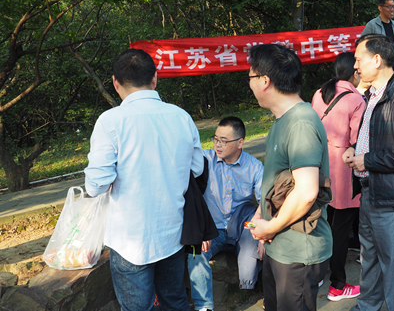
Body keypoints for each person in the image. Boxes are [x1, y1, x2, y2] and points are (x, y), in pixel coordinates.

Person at [85, 48, 204, 311]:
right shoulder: (181, 117)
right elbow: (196, 169)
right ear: (155, 78)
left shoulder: (110, 121)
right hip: (173, 231)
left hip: (129, 239)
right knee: (175, 301)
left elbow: (96, 185)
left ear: (115, 83)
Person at [245, 43, 332, 311]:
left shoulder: (301, 122)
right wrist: (261, 217)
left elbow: (306, 192)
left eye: (250, 77)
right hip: (280, 246)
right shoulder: (282, 120)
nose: (249, 84)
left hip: (297, 252)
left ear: (264, 81)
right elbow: (276, 181)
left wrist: (271, 227)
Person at [343, 34, 394, 311]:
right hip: (370, 191)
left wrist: (367, 160)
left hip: (393, 195)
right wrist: (354, 150)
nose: (355, 66)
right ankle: (367, 306)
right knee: (370, 256)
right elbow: (374, 139)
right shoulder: (372, 95)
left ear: (377, 60)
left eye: (359, 59)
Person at [187, 116, 264, 311]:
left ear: (240, 143)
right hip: (212, 230)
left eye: (224, 140)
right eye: (215, 139)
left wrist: (262, 236)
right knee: (195, 251)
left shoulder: (254, 167)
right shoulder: (204, 160)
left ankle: (253, 289)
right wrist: (201, 230)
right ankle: (204, 306)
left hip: (242, 226)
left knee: (263, 239)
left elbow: (265, 201)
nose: (217, 145)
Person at [311, 52, 365, 302]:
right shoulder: (356, 99)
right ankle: (338, 285)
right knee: (341, 229)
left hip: (320, 165)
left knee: (323, 223)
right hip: (344, 169)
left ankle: (317, 275)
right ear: (354, 73)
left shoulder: (319, 94)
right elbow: (357, 140)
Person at [361, 0, 394, 74]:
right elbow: (362, 45)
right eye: (389, 7)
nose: (392, 9)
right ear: (380, 8)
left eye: (393, 6)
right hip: (379, 71)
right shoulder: (372, 25)